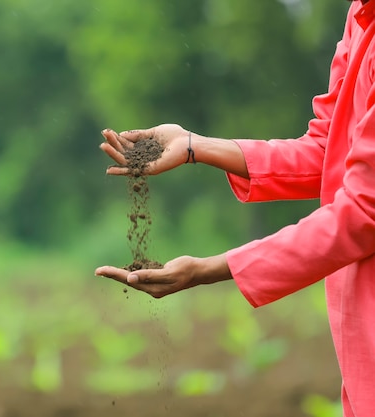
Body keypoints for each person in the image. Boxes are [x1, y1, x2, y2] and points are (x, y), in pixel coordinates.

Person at [95, 1, 375, 416]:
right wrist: (195, 146)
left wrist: (212, 268)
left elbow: (363, 213)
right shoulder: (361, 16)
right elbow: (328, 149)